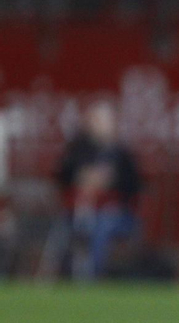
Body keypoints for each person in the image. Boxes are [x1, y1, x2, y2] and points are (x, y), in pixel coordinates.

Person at [53, 99, 143, 279]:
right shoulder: (77, 149)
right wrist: (83, 177)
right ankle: (59, 275)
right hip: (78, 211)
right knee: (61, 226)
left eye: (104, 121)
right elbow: (61, 176)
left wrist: (110, 180)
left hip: (116, 214)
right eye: (95, 120)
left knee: (101, 226)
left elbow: (135, 186)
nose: (100, 125)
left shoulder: (122, 153)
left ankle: (93, 276)